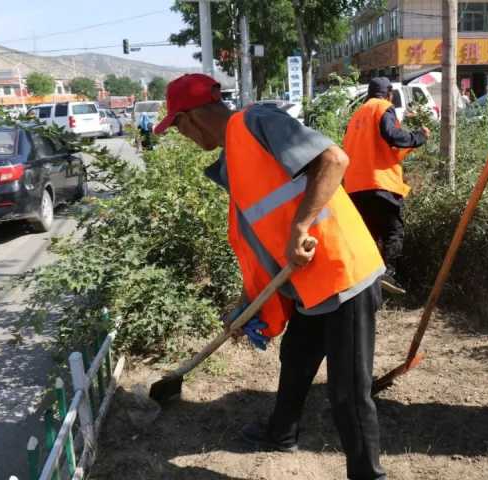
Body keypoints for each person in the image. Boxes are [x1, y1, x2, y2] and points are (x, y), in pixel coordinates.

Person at [154, 74, 387, 480]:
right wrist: (249, 306)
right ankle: (281, 433)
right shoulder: (233, 160)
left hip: (341, 272)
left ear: (190, 119)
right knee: (296, 359)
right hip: (308, 283)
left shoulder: (255, 121)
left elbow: (334, 160)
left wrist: (301, 227)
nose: (181, 136)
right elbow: (263, 241)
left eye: (177, 127)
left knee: (348, 394)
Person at [342, 77, 429, 295]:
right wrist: (418, 136)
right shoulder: (382, 108)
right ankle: (388, 275)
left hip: (354, 187)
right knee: (392, 231)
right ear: (388, 94)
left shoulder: (356, 117)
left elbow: (380, 149)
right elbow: (392, 136)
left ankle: (366, 284)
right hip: (380, 184)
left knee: (369, 235)